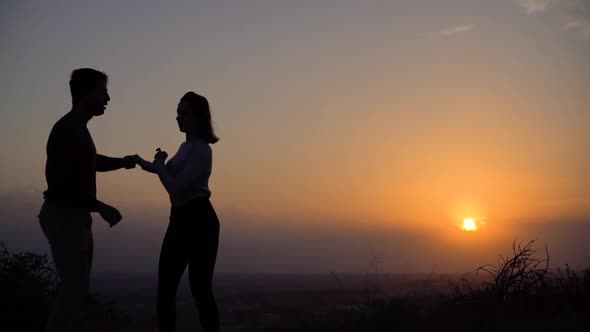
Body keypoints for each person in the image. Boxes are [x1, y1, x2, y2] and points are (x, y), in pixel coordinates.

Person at [38, 68, 136, 332]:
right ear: (84, 94)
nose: (107, 98)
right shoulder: (67, 129)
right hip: (64, 216)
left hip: (74, 216)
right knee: (73, 289)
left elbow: (90, 162)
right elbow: (59, 185)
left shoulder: (77, 129)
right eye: (102, 91)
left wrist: (122, 162)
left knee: (75, 290)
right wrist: (99, 206)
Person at [132, 91, 220, 332]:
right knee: (166, 289)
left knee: (200, 290)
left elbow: (175, 187)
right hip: (180, 218)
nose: (178, 118)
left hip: (200, 220)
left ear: (197, 117)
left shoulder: (202, 149)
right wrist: (143, 162)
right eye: (177, 113)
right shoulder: (185, 147)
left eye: (183, 113)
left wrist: (160, 165)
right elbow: (167, 173)